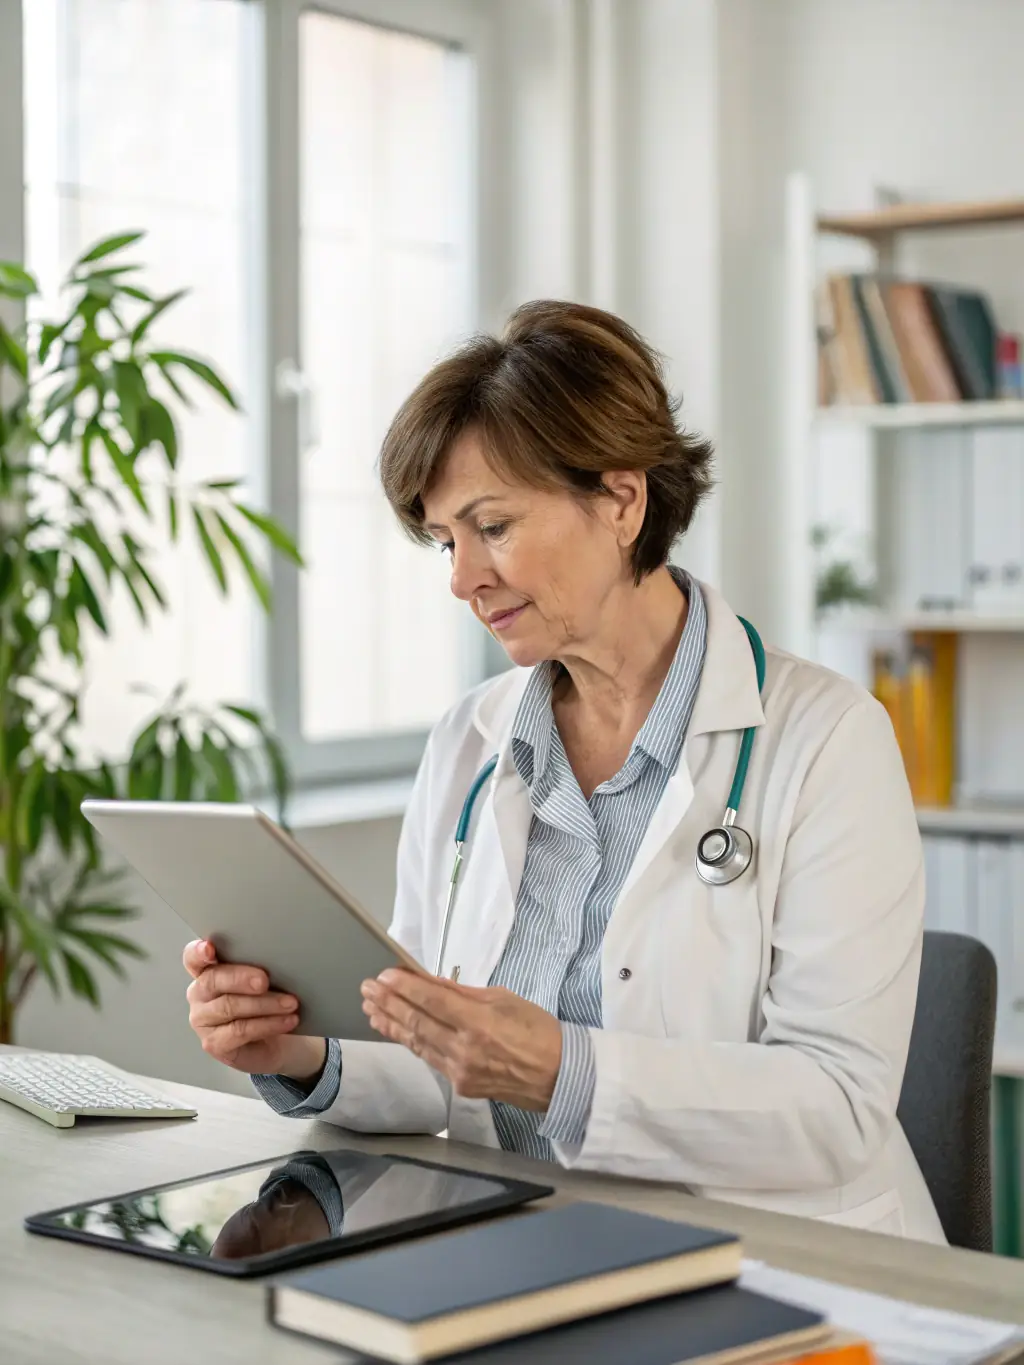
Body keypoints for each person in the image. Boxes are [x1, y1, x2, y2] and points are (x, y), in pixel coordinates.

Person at [184, 300, 944, 1242]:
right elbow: (432, 1052)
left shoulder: (829, 741)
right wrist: (299, 1052)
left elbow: (837, 1106)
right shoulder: (471, 744)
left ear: (622, 502)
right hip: (520, 1245)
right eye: (443, 541)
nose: (463, 577)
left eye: (492, 525)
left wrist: (562, 1070)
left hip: (775, 1268)